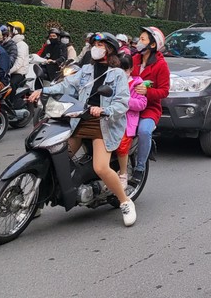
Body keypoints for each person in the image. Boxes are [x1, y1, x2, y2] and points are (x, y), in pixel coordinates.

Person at [28, 32, 136, 226]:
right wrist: (41, 90)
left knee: (101, 167)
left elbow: (122, 103)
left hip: (104, 123)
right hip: (80, 119)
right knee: (56, 154)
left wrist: (105, 110)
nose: (96, 47)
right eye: (95, 43)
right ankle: (37, 201)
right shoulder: (86, 69)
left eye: (101, 44)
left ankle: (125, 201)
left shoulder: (117, 74)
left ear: (109, 49)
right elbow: (66, 85)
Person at [130, 26, 169, 184]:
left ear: (152, 45)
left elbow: (164, 91)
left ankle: (140, 168)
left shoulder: (161, 65)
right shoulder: (134, 60)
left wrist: (147, 92)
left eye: (143, 39)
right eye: (139, 38)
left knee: (144, 131)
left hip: (149, 109)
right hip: (129, 106)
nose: (139, 42)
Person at [116, 54, 147, 190]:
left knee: (122, 145)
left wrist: (125, 101)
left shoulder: (137, 84)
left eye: (125, 69)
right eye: (119, 68)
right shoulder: (110, 81)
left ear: (131, 69)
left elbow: (141, 104)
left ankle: (123, 174)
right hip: (110, 118)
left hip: (127, 121)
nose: (122, 72)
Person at [7, 21, 29, 91]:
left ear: (16, 31)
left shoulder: (22, 45)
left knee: (11, 85)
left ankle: (11, 101)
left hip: (18, 73)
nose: (8, 32)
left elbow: (18, 63)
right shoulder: (11, 43)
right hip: (11, 72)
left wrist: (8, 72)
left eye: (10, 29)